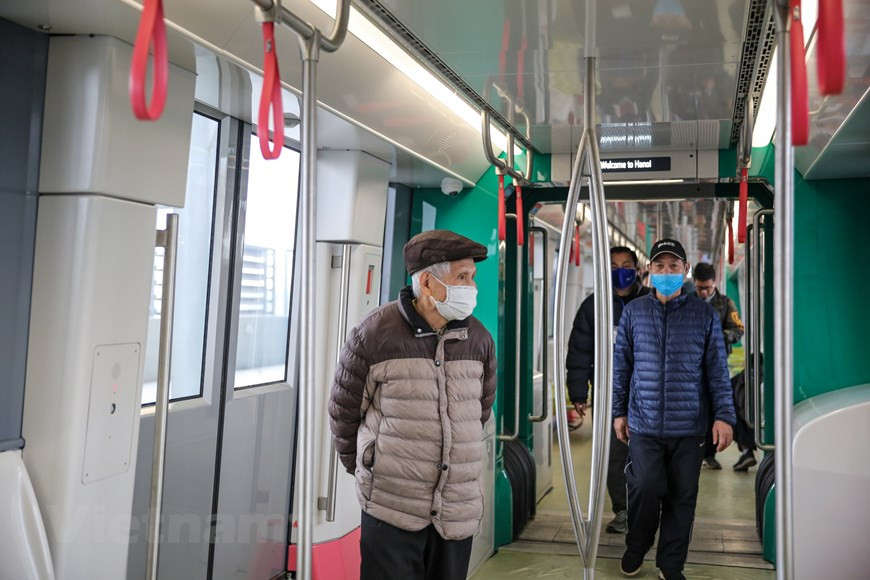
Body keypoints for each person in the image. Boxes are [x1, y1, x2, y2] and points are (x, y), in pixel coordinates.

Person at [328, 230, 497, 580]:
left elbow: (480, 410)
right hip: (392, 507)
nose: (472, 288)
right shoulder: (373, 335)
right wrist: (369, 467)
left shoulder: (478, 339)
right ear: (428, 283)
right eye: (462, 278)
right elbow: (344, 413)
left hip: (456, 508)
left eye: (472, 278)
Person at [613, 239, 736, 580]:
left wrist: (724, 416)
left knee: (682, 496)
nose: (666, 272)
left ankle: (671, 564)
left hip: (689, 427)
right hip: (645, 423)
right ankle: (637, 544)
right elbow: (621, 368)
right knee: (646, 487)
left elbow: (717, 371)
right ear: (649, 272)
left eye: (673, 266)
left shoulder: (705, 316)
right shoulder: (634, 313)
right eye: (659, 266)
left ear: (685, 271)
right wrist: (618, 412)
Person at [566, 246, 650, 533]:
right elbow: (580, 352)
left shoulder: (651, 302)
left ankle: (651, 508)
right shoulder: (593, 306)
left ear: (637, 269)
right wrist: (579, 393)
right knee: (615, 455)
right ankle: (624, 509)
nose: (621, 271)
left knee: (649, 454)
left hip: (651, 393)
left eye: (626, 264)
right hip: (609, 394)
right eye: (613, 266)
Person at [693, 262, 745, 470]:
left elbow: (738, 330)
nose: (704, 292)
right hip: (693, 365)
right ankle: (699, 452)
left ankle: (710, 453)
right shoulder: (687, 302)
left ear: (715, 283)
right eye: (699, 288)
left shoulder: (726, 304)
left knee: (716, 407)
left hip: (717, 364)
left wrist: (718, 336)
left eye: (707, 288)